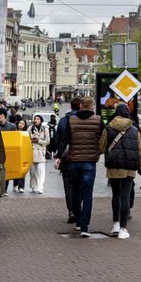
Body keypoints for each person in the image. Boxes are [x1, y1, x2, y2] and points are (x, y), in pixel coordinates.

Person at [53, 96, 104, 236]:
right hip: (90, 162)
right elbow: (103, 139)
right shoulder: (98, 121)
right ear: (93, 107)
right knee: (87, 194)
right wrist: (99, 151)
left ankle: (77, 221)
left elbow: (64, 140)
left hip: (73, 161)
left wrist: (58, 157)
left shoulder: (71, 120)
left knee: (75, 192)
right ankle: (85, 227)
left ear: (80, 106)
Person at [101, 102, 141, 239]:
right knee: (125, 196)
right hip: (129, 168)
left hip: (114, 166)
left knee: (116, 195)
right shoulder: (135, 130)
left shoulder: (109, 128)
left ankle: (116, 224)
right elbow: (140, 150)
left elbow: (101, 147)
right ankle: (124, 229)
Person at [28, 115, 48, 194]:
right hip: (32, 152)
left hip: (41, 152)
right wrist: (32, 141)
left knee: (41, 171)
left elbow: (48, 141)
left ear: (41, 120)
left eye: (38, 119)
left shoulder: (45, 129)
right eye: (35, 119)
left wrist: (39, 141)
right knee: (33, 172)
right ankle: (33, 186)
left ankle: (40, 187)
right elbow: (26, 139)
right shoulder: (30, 129)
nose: (36, 120)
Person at [11, 118, 28, 192]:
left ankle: (21, 187)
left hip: (23, 154)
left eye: (23, 123)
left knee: (22, 171)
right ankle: (15, 184)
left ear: (25, 126)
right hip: (15, 154)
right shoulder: (14, 132)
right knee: (15, 170)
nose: (21, 124)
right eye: (20, 123)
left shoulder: (26, 133)